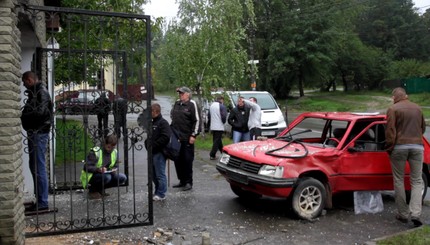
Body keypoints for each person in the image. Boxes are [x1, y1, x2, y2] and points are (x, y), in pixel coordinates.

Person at [385, 87, 426, 227]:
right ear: (406, 96)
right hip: (417, 147)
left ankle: (403, 214)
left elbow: (390, 130)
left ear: (394, 97)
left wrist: (389, 147)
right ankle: (416, 214)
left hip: (399, 147)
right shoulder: (417, 108)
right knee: (417, 180)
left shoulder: (393, 109)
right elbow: (423, 128)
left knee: (399, 180)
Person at [21, 71, 54, 212]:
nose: (23, 85)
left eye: (24, 82)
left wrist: (26, 116)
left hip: (39, 133)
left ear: (29, 80)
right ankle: (39, 200)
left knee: (38, 167)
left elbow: (40, 113)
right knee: (34, 166)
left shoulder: (41, 92)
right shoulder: (36, 92)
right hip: (35, 132)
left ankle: (43, 203)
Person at [170, 86, 200, 191]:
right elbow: (172, 116)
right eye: (179, 93)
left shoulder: (192, 104)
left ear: (188, 94)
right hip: (176, 137)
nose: (180, 95)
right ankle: (182, 180)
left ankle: (188, 182)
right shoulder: (177, 103)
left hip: (187, 137)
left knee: (187, 160)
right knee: (177, 159)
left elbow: (197, 120)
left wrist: (193, 135)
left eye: (182, 93)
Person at [80, 134, 127, 199]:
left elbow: (116, 164)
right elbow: (87, 167)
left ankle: (100, 190)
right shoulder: (96, 151)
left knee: (122, 178)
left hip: (105, 174)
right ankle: (92, 191)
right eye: (108, 147)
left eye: (112, 147)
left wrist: (113, 169)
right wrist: (98, 169)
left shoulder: (114, 152)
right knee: (107, 177)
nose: (110, 149)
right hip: (91, 176)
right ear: (104, 144)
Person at [145, 103, 171, 201]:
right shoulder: (152, 122)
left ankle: (161, 193)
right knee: (153, 174)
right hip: (152, 152)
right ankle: (157, 191)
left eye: (151, 111)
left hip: (159, 152)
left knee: (160, 174)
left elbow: (166, 137)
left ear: (156, 111)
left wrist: (154, 145)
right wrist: (147, 144)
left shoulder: (163, 123)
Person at [209, 96, 227, 160]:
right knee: (216, 141)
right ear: (221, 100)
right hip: (219, 126)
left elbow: (209, 116)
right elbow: (224, 116)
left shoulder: (211, 106)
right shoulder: (221, 106)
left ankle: (223, 152)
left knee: (218, 140)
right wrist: (223, 122)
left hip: (213, 125)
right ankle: (212, 154)